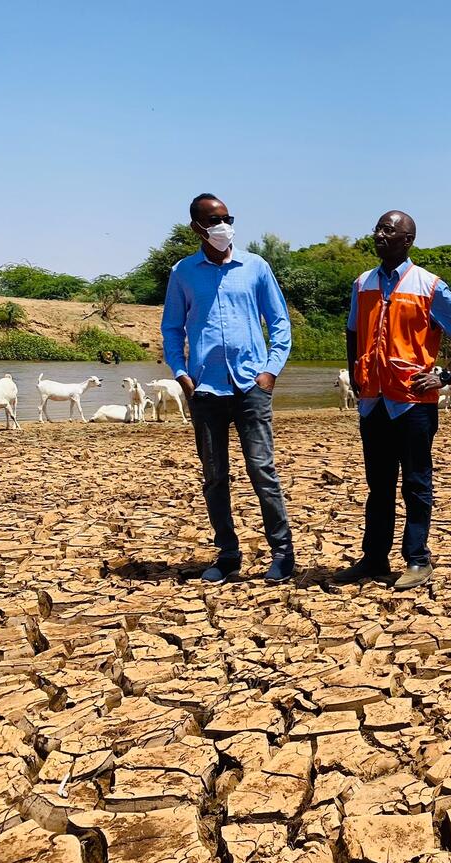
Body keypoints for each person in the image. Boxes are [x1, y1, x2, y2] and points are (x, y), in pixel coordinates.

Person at [332, 210, 451, 590]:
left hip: (413, 402)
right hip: (374, 400)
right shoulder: (362, 283)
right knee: (378, 485)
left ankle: (417, 560)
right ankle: (373, 559)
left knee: (415, 483)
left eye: (388, 230)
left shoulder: (428, 285)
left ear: (407, 239)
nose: (379, 235)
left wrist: (444, 376)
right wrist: (355, 373)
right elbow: (352, 332)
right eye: (377, 228)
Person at [161, 193, 295, 584]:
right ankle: (228, 553)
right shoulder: (184, 272)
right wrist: (182, 373)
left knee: (262, 470)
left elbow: (280, 322)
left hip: (251, 385)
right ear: (196, 227)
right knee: (215, 475)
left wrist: (270, 371)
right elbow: (172, 327)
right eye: (213, 220)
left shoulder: (255, 267)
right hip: (206, 390)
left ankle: (283, 552)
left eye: (227, 218)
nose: (222, 226)